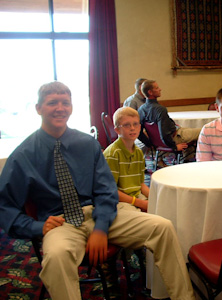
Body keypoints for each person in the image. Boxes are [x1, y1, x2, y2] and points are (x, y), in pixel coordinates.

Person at [0, 81, 196, 300]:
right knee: (56, 258)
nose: (60, 108)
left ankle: (184, 297)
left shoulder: (87, 144)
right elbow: (5, 207)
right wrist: (35, 226)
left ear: (72, 107)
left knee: (163, 227)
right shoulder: (23, 154)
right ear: (38, 108)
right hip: (60, 223)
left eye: (65, 102)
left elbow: (105, 191)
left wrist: (101, 228)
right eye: (52, 103)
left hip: (99, 214)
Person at [138, 80, 201, 161]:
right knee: (202, 131)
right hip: (176, 137)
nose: (160, 89)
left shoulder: (141, 109)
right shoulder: (160, 109)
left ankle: (185, 156)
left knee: (187, 129)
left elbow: (139, 132)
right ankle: (189, 159)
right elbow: (164, 133)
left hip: (162, 139)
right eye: (157, 88)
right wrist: (174, 147)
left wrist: (150, 144)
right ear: (150, 92)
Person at [103, 106, 149, 211]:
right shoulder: (113, 154)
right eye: (127, 125)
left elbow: (140, 184)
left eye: (135, 124)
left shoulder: (137, 152)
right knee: (145, 220)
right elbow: (110, 190)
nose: (132, 128)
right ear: (117, 130)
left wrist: (154, 198)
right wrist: (140, 203)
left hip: (136, 196)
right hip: (118, 201)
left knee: (161, 209)